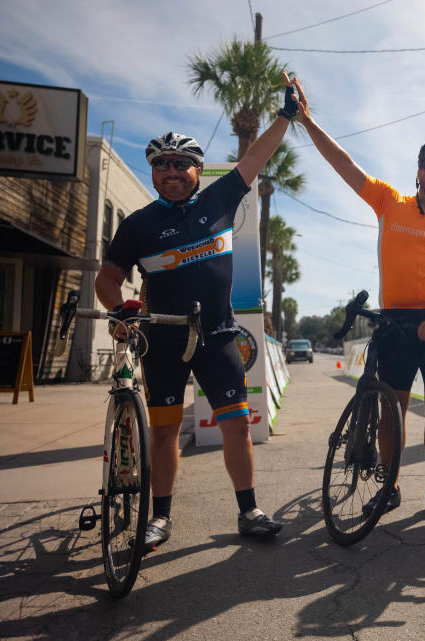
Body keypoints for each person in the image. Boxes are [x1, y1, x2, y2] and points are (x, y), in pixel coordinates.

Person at [94, 72, 301, 549]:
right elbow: (107, 278)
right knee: (165, 434)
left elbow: (256, 155)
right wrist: (121, 305)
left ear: (196, 169)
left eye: (181, 163)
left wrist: (286, 115)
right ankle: (160, 518)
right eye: (162, 164)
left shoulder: (220, 198)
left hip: (217, 336)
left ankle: (249, 510)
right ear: (152, 171)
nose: (171, 170)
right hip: (161, 339)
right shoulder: (138, 224)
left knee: (236, 425)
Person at [289, 77, 425, 518]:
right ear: (418, 169)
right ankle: (389, 484)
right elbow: (345, 164)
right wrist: (309, 121)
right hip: (394, 322)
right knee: (391, 410)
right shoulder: (389, 201)